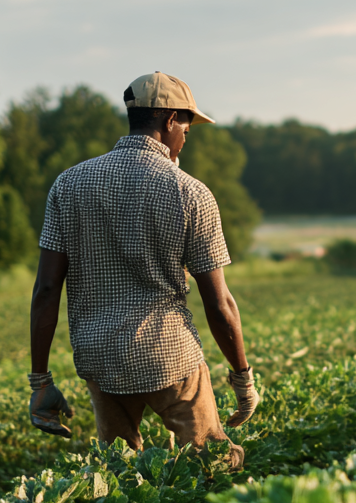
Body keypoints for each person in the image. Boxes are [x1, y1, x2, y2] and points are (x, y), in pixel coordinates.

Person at [25, 71, 258, 469]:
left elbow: (47, 289)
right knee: (213, 464)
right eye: (186, 125)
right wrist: (242, 378)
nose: (187, 135)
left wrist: (40, 381)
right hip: (168, 353)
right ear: (169, 121)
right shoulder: (190, 192)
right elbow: (219, 302)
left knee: (121, 476)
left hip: (99, 355)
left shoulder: (68, 185)